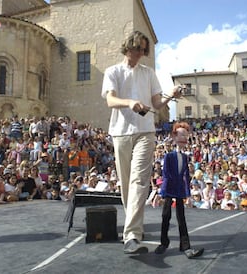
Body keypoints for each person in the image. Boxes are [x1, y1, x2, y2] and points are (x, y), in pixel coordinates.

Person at [101, 30, 182, 254]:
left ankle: (132, 235)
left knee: (139, 181)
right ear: (128, 47)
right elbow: (109, 100)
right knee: (126, 185)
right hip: (120, 132)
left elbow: (156, 103)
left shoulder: (149, 73)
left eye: (143, 50)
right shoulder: (112, 71)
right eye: (138, 49)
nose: (141, 54)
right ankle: (133, 228)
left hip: (145, 131)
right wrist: (129, 103)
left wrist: (170, 96)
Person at [154, 122, 204, 258]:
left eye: (186, 135)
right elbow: (166, 174)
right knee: (166, 216)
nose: (184, 138)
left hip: (180, 189)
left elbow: (186, 176)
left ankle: (185, 245)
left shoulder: (185, 157)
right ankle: (163, 243)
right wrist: (163, 192)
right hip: (170, 188)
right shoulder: (169, 156)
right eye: (181, 135)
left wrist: (187, 193)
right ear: (174, 136)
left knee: (181, 217)